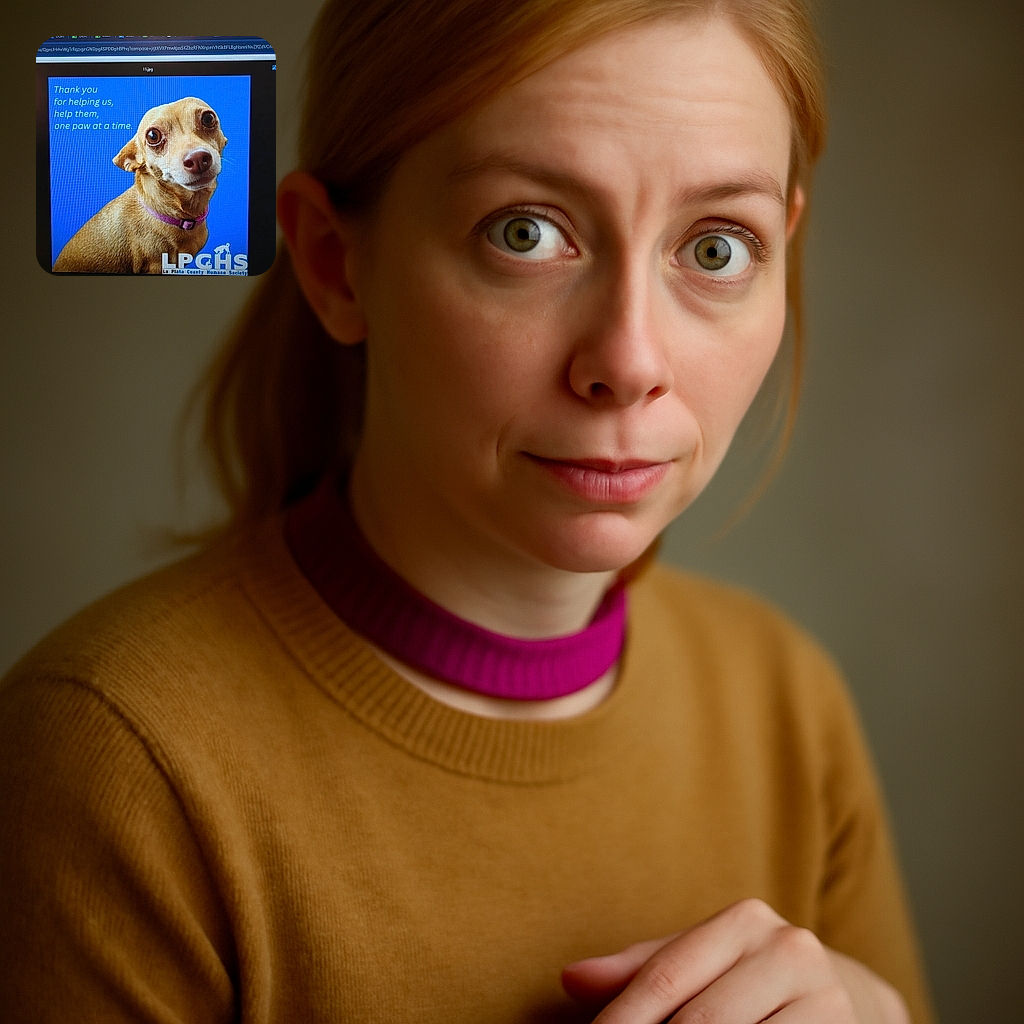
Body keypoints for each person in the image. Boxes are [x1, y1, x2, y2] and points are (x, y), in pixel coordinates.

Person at [0, 1, 936, 1021]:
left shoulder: (789, 708)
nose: (628, 362)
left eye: (716, 248)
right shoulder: (110, 762)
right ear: (333, 260)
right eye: (525, 232)